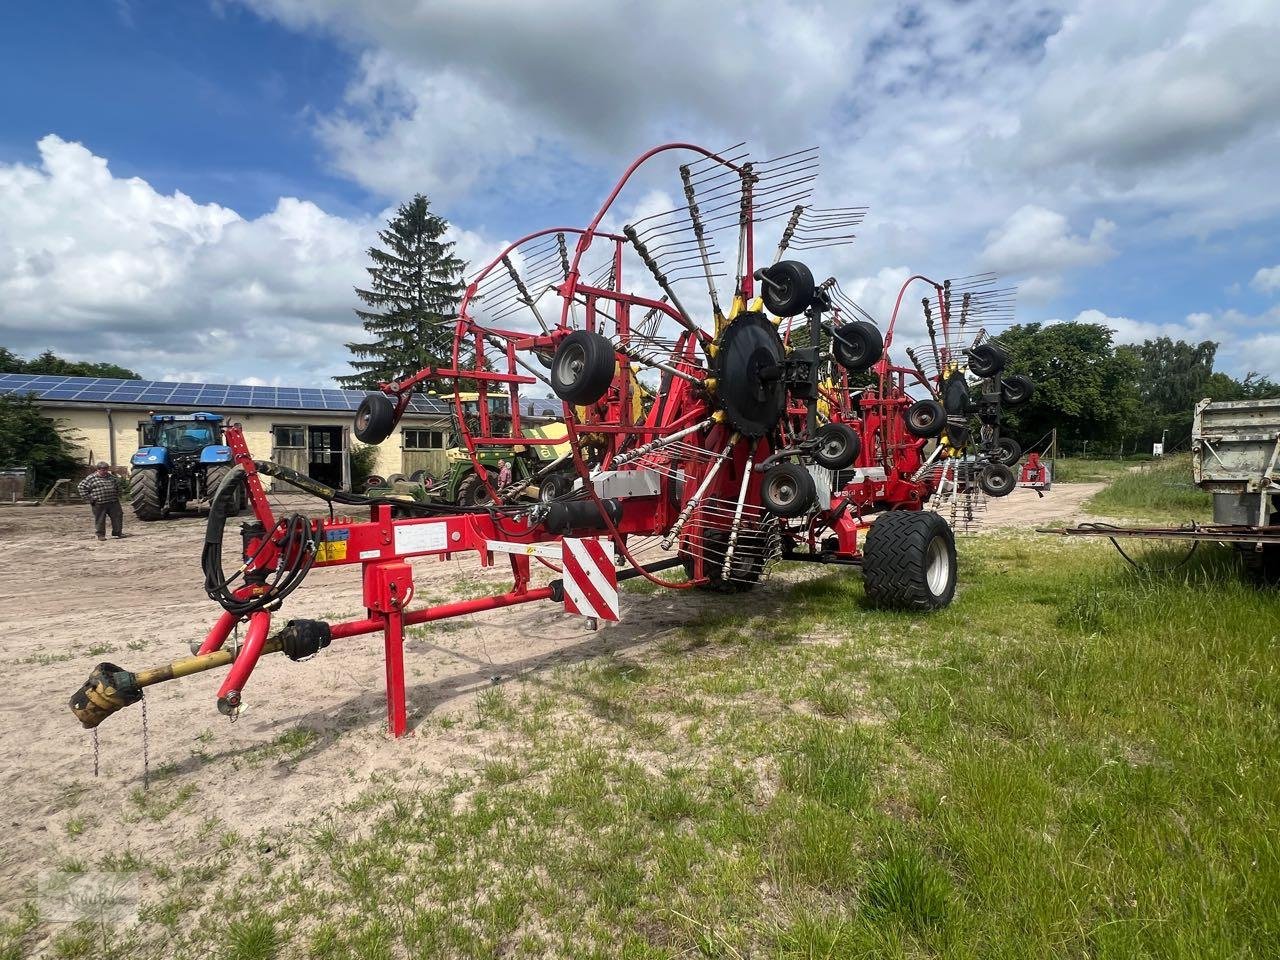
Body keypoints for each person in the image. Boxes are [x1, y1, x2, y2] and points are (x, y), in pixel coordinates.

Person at [77, 461, 125, 541]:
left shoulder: (111, 477)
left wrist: (119, 494)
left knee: (118, 517)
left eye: (106, 469)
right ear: (98, 469)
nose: (105, 471)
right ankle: (100, 535)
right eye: (103, 470)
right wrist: (89, 498)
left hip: (113, 502)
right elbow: (81, 487)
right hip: (99, 503)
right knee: (100, 519)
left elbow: (118, 486)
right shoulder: (91, 478)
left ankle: (117, 533)